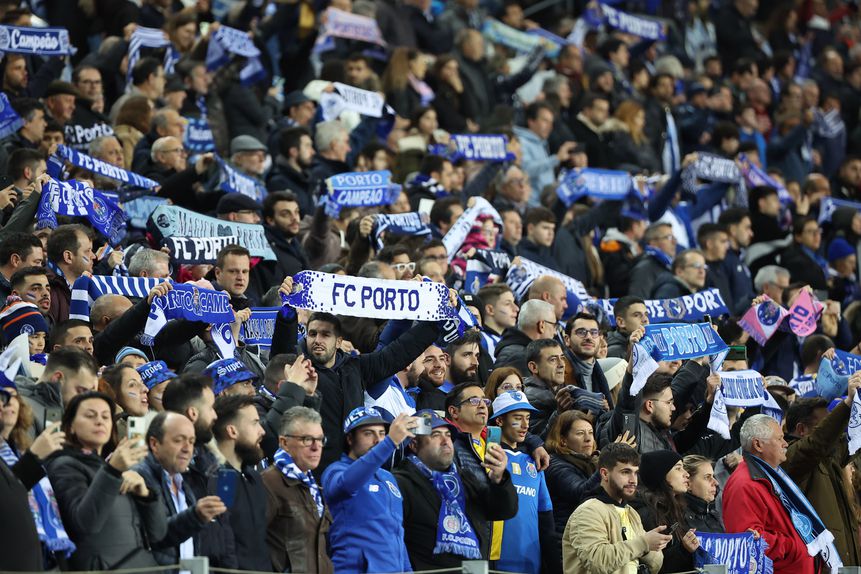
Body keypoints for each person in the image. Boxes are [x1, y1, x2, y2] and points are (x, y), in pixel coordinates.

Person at [45, 391, 167, 570]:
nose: (99, 421)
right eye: (90, 415)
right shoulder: (63, 465)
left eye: (105, 416)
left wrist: (146, 495)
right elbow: (84, 524)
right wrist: (112, 471)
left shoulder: (111, 467)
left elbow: (158, 534)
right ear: (70, 426)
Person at [394, 409, 518, 569]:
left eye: (448, 435)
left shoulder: (465, 479)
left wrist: (499, 480)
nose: (445, 441)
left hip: (475, 570)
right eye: (435, 435)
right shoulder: (401, 483)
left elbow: (504, 511)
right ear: (414, 444)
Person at [723, 414, 829, 573]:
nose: (785, 443)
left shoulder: (771, 475)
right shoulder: (744, 484)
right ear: (758, 444)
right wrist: (793, 546)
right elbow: (747, 541)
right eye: (779, 438)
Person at [321, 407, 417, 573]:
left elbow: (396, 532)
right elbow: (347, 483)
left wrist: (407, 570)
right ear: (350, 439)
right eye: (368, 433)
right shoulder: (335, 471)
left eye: (382, 433)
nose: (378, 440)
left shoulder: (388, 477)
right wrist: (390, 442)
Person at [133, 411, 229, 568]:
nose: (187, 449)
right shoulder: (141, 477)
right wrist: (195, 516)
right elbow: (155, 535)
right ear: (154, 444)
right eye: (179, 440)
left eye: (191, 442)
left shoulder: (182, 481)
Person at [782, 378, 861, 565]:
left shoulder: (829, 456)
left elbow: (855, 439)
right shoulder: (789, 458)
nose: (832, 431)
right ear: (802, 429)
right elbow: (818, 442)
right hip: (819, 567)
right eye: (825, 424)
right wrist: (847, 405)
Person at [563, 442, 668, 574]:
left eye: (635, 473)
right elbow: (597, 562)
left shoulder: (631, 512)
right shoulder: (588, 511)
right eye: (626, 472)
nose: (633, 480)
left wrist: (649, 546)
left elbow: (656, 565)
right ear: (604, 474)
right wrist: (643, 543)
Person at [490, 391, 556, 574]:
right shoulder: (489, 458)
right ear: (499, 420)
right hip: (495, 562)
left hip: (531, 562)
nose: (525, 425)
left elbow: (546, 519)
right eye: (517, 418)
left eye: (527, 418)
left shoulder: (535, 462)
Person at [263, 406, 333, 574]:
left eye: (320, 439)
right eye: (307, 439)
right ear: (284, 443)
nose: (316, 447)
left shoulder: (313, 486)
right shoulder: (268, 482)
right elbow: (250, 543)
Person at [211, 394, 271, 572]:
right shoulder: (221, 480)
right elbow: (221, 547)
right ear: (232, 431)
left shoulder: (254, 478)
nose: (262, 431)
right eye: (254, 423)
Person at [632, 450, 701, 573]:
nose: (686, 474)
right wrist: (684, 549)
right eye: (678, 468)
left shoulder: (676, 508)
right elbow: (655, 566)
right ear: (661, 475)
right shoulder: (648, 514)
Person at [544, 411, 601, 541]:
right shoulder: (555, 464)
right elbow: (581, 493)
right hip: (565, 542)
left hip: (586, 536)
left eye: (591, 433)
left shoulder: (591, 462)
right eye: (580, 433)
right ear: (563, 440)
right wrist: (608, 463)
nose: (588, 439)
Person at [17, 347, 99, 435]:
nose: (87, 401)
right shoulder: (21, 409)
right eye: (82, 391)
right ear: (57, 378)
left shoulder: (66, 409)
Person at [682, 455, 724, 533]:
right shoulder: (678, 520)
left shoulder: (713, 515)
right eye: (707, 477)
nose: (716, 483)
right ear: (688, 483)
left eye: (713, 476)